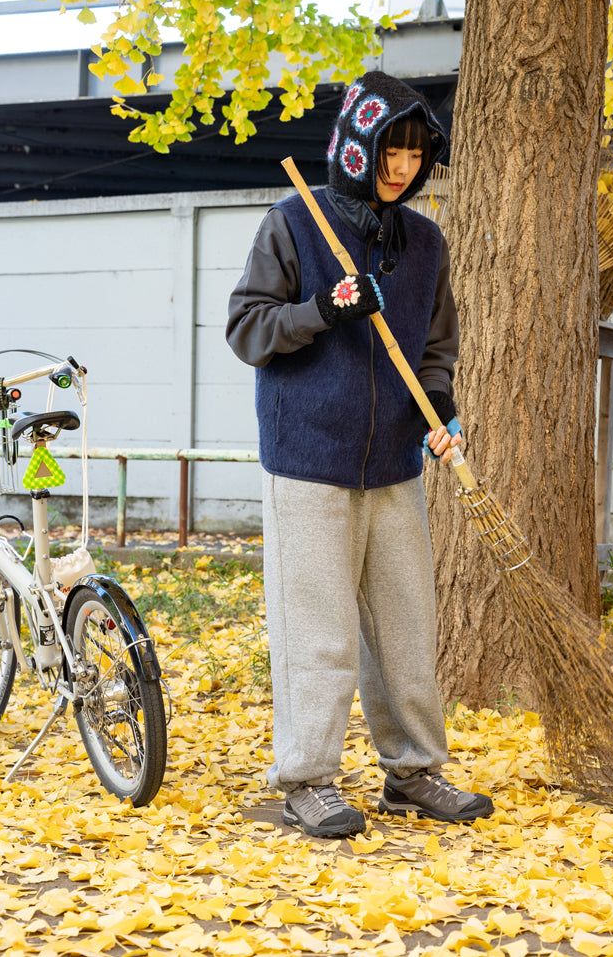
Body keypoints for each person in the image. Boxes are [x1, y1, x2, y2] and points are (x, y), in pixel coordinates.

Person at [226, 71, 493, 838]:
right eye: (391, 148)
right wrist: (325, 308)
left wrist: (439, 410)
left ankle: (413, 771)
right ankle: (307, 778)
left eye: (416, 152)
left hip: (394, 465)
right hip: (308, 459)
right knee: (320, 631)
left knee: (407, 624)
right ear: (357, 143)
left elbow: (434, 351)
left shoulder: (424, 242)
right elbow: (248, 330)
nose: (403, 166)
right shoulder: (294, 224)